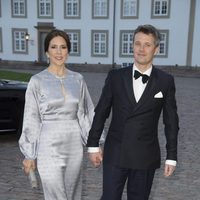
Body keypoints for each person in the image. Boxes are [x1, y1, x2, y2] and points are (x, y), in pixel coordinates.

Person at [86, 24, 179, 200]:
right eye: (137, 43)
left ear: (156, 49)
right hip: (116, 152)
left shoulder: (165, 81)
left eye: (147, 44)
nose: (141, 49)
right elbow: (101, 112)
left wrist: (171, 156)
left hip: (145, 156)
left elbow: (171, 122)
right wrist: (93, 145)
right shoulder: (115, 76)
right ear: (132, 46)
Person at [19, 29, 94, 200]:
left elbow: (85, 113)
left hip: (74, 145)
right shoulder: (36, 81)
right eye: (54, 47)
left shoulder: (78, 79)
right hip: (48, 146)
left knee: (73, 193)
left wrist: (93, 144)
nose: (59, 52)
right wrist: (29, 154)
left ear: (68, 51)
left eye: (63, 47)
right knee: (55, 194)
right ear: (47, 51)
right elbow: (31, 118)